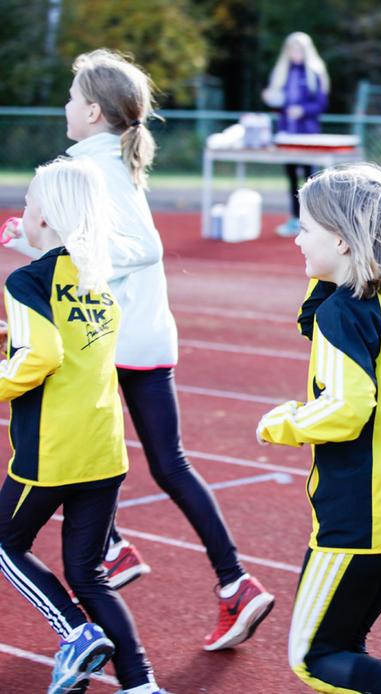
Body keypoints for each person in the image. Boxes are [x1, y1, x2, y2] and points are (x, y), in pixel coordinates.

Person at [2, 49, 275, 652]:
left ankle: (223, 579)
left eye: (72, 98)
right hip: (139, 329)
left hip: (112, 335)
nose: (65, 107)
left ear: (93, 111)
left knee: (75, 436)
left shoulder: (90, 165)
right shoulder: (108, 159)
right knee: (151, 458)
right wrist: (26, 237)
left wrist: (69, 249)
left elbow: (141, 247)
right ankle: (152, 556)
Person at [256, 164, 381, 694]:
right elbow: (314, 319)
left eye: (306, 228)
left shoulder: (344, 315)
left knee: (315, 656)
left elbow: (347, 409)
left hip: (363, 515)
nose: (297, 237)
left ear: (344, 241)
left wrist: (283, 424)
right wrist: (323, 269)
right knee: (347, 645)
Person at [0, 158, 166, 694]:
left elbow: (38, 359)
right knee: (88, 573)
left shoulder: (26, 280)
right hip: (102, 449)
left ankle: (73, 632)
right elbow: (69, 351)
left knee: (4, 542)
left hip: (51, 450)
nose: (21, 214)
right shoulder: (97, 281)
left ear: (45, 218)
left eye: (27, 205)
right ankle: (140, 684)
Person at [262, 32, 330, 237]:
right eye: (291, 49)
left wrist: (303, 110)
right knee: (292, 177)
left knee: (311, 178)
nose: (295, 53)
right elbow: (280, 104)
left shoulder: (314, 73)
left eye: (299, 49)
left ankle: (316, 220)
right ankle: (295, 218)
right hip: (287, 134)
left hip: (308, 134)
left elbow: (320, 104)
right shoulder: (282, 73)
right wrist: (273, 100)